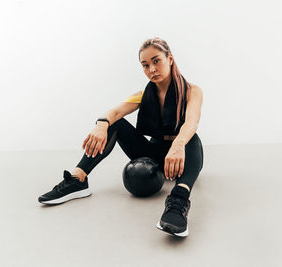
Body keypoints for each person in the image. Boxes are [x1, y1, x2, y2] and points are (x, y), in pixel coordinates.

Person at [38, 37, 204, 237]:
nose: (151, 69)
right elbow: (115, 112)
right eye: (145, 65)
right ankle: (78, 180)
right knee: (114, 124)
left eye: (156, 61)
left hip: (182, 154)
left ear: (170, 58)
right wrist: (101, 125)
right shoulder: (143, 94)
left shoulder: (192, 91)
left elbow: (192, 122)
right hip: (154, 152)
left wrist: (178, 145)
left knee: (192, 139)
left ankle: (178, 203)